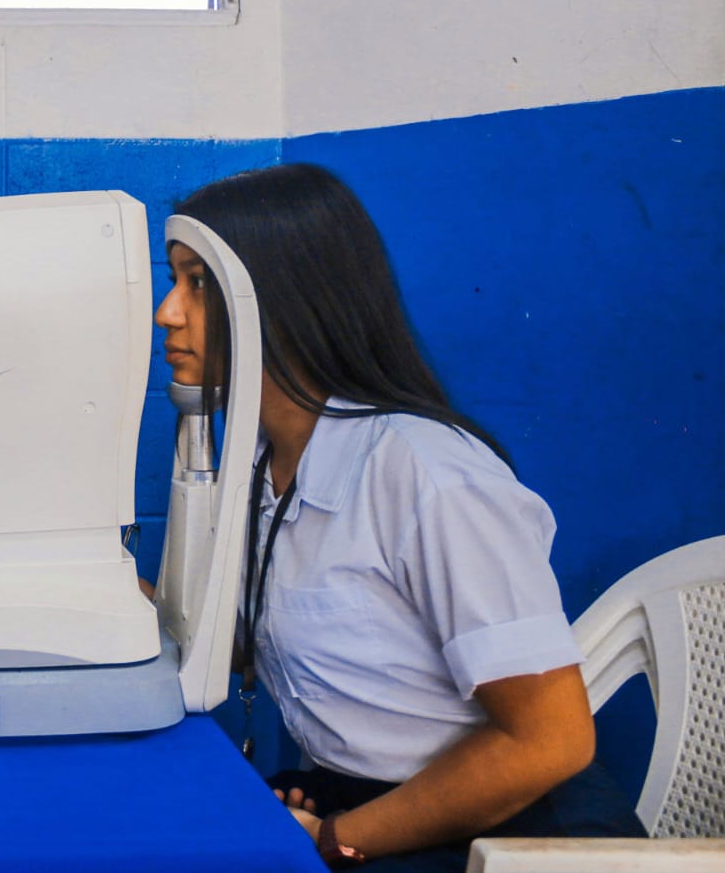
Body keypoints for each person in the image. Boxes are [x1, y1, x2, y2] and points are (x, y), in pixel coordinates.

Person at [154, 164, 642, 871]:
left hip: (499, 831)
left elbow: (551, 740)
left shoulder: (427, 473)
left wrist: (330, 838)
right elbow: (228, 639)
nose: (168, 312)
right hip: (359, 800)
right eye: (174, 281)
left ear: (281, 301)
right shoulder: (264, 460)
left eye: (198, 283)